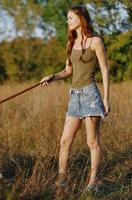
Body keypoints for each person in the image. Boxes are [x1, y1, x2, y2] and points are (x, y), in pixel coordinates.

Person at [40, 5, 110, 193]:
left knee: (92, 142)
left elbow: (104, 69)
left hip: (91, 96)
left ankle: (92, 183)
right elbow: (69, 70)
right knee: (64, 141)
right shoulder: (70, 43)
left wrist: (106, 98)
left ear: (81, 18)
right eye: (67, 18)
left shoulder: (95, 42)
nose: (68, 21)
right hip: (74, 96)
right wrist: (52, 77)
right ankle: (62, 181)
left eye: (70, 17)